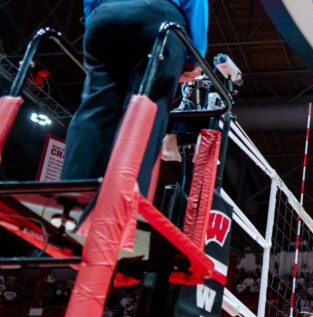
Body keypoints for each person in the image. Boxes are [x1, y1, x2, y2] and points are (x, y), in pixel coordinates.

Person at [62, 0, 208, 194]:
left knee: (94, 109)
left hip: (104, 18)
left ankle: (71, 190)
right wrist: (194, 56)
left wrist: (96, 22)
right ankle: (124, 197)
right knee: (148, 109)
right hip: (157, 20)